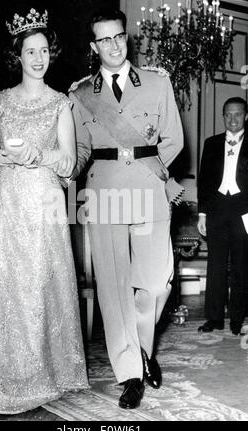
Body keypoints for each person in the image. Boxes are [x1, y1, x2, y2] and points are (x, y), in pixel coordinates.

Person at [0, 7, 89, 415]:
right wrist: (0, 153)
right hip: (5, 199)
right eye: (31, 51)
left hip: (43, 201)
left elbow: (69, 162)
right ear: (19, 56)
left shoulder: (61, 104)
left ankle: (36, 378)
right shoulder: (2, 99)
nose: (39, 58)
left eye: (44, 51)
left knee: (36, 287)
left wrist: (43, 155)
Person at [68, 8, 183, 409]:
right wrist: (66, 169)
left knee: (155, 283)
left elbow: (173, 140)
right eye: (104, 39)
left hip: (149, 192)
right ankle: (130, 371)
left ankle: (144, 347)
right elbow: (81, 151)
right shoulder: (81, 94)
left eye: (118, 37)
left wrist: (151, 175)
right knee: (115, 288)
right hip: (105, 195)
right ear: (93, 46)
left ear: (126, 38)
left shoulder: (156, 82)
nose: (113, 45)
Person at [197, 97, 248, 336]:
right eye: (228, 114)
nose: (233, 119)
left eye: (238, 114)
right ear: (223, 116)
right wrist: (202, 213)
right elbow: (204, 181)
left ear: (246, 116)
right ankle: (214, 318)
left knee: (241, 265)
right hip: (217, 209)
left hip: (244, 212)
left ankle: (238, 319)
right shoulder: (211, 143)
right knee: (215, 266)